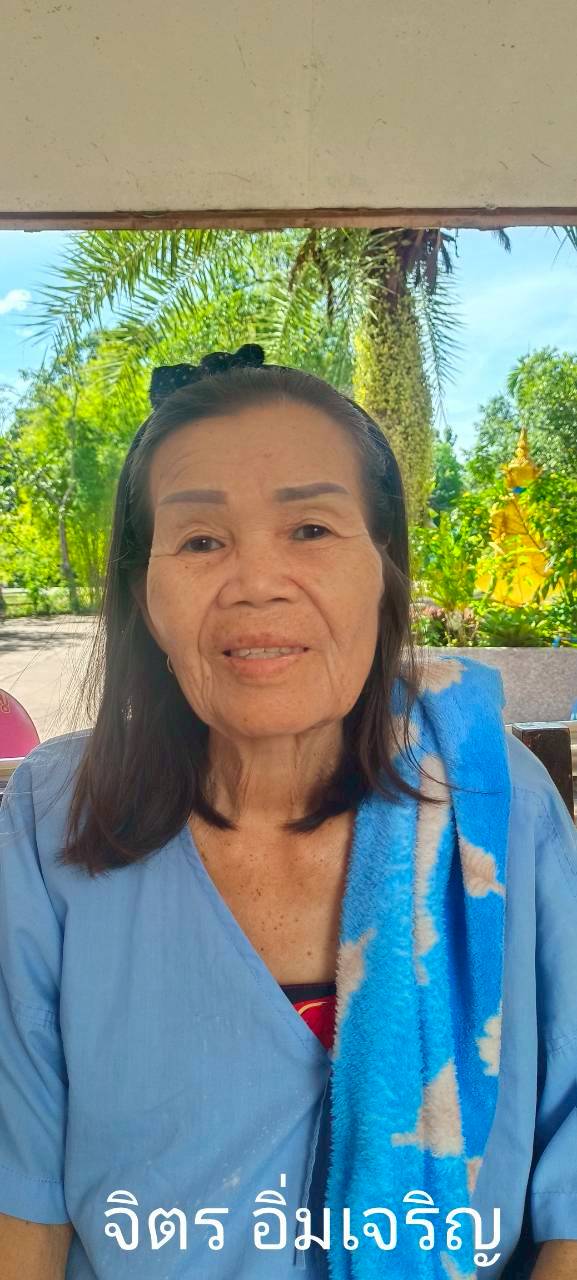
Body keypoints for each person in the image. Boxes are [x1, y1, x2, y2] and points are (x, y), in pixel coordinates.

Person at [0, 345, 576, 1280]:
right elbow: (19, 1195)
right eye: (199, 541)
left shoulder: (491, 801)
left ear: (383, 570)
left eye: (310, 528)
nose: (256, 582)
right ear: (144, 593)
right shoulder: (52, 818)